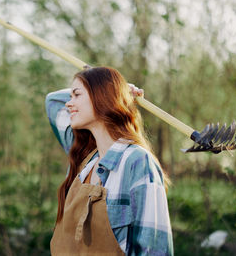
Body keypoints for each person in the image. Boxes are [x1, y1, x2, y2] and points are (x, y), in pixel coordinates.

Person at [45, 67, 173, 255]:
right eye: (70, 96)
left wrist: (116, 90)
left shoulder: (137, 162)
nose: (69, 104)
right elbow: (52, 102)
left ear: (102, 96)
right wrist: (117, 90)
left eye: (76, 95)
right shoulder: (84, 159)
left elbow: (153, 250)